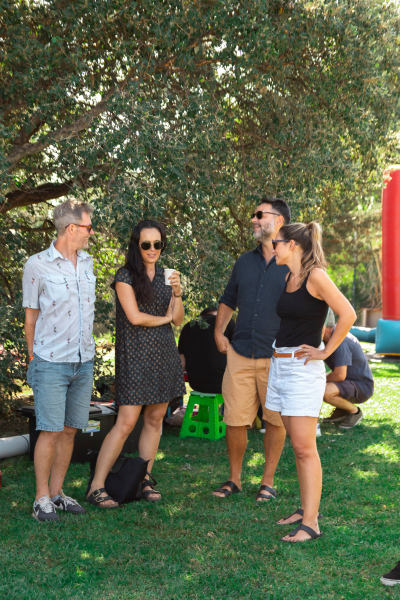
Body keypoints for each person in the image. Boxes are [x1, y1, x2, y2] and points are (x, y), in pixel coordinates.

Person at [266, 222, 356, 542]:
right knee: (298, 445)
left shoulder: (316, 275)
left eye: (276, 242)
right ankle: (305, 511)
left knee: (305, 448)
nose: (272, 246)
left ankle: (312, 524)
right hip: (282, 367)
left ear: (292, 245)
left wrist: (326, 352)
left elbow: (347, 313)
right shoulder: (291, 276)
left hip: (303, 371)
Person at [86, 220, 185, 507]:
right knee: (126, 422)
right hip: (135, 356)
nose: (153, 249)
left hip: (163, 354)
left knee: (155, 420)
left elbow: (178, 319)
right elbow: (135, 317)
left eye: (158, 244)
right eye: (146, 244)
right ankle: (97, 486)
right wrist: (165, 318)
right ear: (136, 245)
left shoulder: (168, 275)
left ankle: (143, 478)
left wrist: (177, 293)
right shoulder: (124, 276)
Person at [213, 197, 291, 501]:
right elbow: (228, 299)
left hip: (277, 356)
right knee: (234, 419)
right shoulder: (243, 262)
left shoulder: (294, 260)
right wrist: (219, 332)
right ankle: (234, 479)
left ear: (279, 221)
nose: (254, 220)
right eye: (253, 215)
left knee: (275, 419)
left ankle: (267, 481)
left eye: (260, 215)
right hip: (241, 352)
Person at [23, 199, 96, 522]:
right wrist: (34, 359)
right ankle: (41, 499)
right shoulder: (36, 265)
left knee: (69, 431)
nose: (91, 233)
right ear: (71, 228)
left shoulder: (89, 263)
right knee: (49, 431)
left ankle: (57, 492)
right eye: (88, 227)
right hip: (50, 361)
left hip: (84, 361)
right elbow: (30, 318)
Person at [322, 308, 374, 429]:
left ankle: (354, 411)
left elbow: (340, 375)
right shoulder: (326, 338)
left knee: (323, 390)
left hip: (361, 386)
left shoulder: (340, 339)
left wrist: (323, 377)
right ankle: (342, 410)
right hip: (348, 382)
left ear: (322, 325)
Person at [178, 307, 235, 394]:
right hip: (224, 383)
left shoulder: (187, 327)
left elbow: (182, 365)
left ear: (202, 316)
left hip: (196, 384)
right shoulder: (227, 323)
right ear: (219, 313)